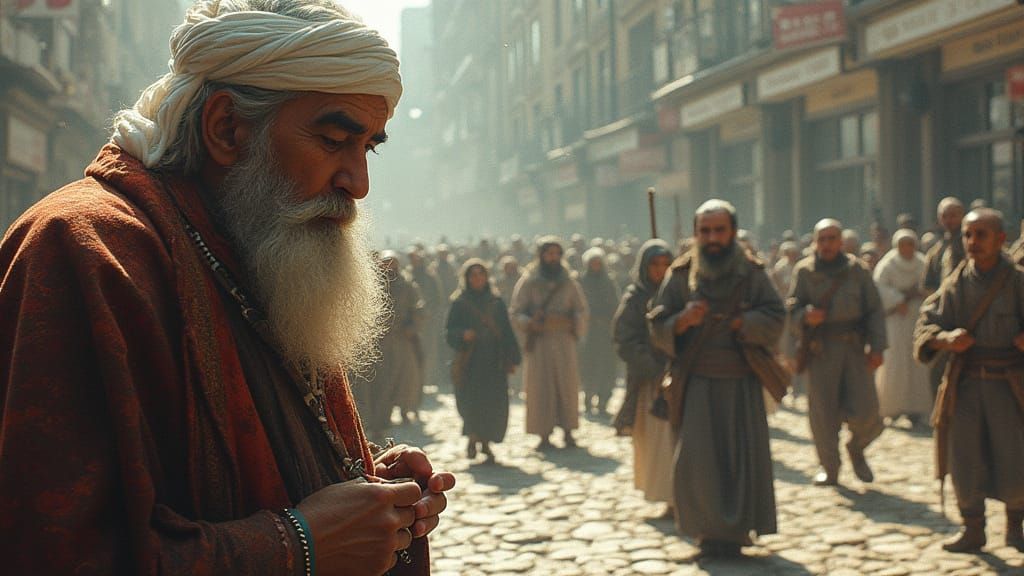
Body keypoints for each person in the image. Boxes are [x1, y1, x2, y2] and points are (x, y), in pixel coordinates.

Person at [0, 2, 455, 574]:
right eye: (335, 139)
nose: (357, 183)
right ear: (226, 128)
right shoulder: (88, 249)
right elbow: (49, 553)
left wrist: (368, 501)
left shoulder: (265, 245)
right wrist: (299, 544)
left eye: (367, 148)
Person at [650, 200, 783, 557]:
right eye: (705, 231)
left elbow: (775, 316)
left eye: (719, 230)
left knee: (740, 457)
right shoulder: (679, 276)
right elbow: (657, 323)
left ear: (732, 231)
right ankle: (707, 533)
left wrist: (745, 323)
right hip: (696, 382)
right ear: (695, 233)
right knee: (698, 460)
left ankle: (737, 531)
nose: (712, 238)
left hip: (740, 382)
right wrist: (682, 321)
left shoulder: (753, 274)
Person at [914, 208, 1024, 553]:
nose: (973, 242)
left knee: (1014, 455)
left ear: (1001, 239)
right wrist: (946, 339)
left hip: (1011, 385)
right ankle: (973, 528)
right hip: (966, 385)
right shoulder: (956, 283)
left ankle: (1015, 528)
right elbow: (927, 321)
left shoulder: (1018, 281)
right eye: (968, 235)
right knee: (965, 456)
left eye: (981, 234)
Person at [788, 219, 886, 487]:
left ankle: (857, 448)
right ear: (815, 242)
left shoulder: (857, 271)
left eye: (832, 238)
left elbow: (874, 310)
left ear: (841, 242)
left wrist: (877, 347)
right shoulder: (805, 272)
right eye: (822, 239)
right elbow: (791, 309)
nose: (827, 244)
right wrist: (805, 316)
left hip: (854, 348)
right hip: (821, 350)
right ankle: (829, 466)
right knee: (823, 414)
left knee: (867, 412)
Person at [612, 239, 675, 515]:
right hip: (650, 382)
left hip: (678, 377)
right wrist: (651, 364)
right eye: (655, 265)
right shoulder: (636, 298)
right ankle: (666, 495)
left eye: (666, 265)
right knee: (657, 441)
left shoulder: (678, 294)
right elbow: (625, 339)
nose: (661, 270)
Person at [510, 237, 589, 450]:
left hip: (564, 341)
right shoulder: (529, 281)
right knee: (541, 387)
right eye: (549, 253)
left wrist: (573, 321)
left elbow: (581, 309)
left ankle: (568, 430)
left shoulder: (569, 282)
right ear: (541, 255)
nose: (552, 257)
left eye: (556, 253)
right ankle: (543, 433)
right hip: (541, 343)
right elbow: (516, 311)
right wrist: (530, 322)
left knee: (567, 386)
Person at [444, 260, 522, 463]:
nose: (477, 278)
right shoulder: (460, 303)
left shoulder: (496, 302)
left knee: (492, 403)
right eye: (473, 275)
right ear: (467, 278)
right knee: (471, 402)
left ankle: (486, 441)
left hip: (493, 362)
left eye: (481, 274)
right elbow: (449, 331)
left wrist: (513, 356)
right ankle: (472, 437)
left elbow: (506, 331)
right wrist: (462, 334)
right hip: (470, 362)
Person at [873, 230, 931, 425]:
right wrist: (897, 300)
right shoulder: (888, 265)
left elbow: (930, 287)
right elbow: (879, 288)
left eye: (910, 244)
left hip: (916, 318)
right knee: (895, 362)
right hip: (896, 321)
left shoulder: (923, 263)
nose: (906, 248)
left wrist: (919, 297)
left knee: (917, 364)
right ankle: (892, 406)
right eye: (903, 244)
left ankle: (916, 408)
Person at [922, 197, 967, 399]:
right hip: (944, 322)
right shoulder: (936, 251)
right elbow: (929, 288)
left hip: (973, 318)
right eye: (945, 216)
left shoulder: (973, 244)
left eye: (954, 215)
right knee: (939, 378)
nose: (950, 220)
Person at [578, 247, 621, 416]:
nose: (596, 266)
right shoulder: (581, 282)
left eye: (598, 263)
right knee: (588, 366)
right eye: (592, 263)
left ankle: (603, 400)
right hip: (587, 333)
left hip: (606, 332)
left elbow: (615, 305)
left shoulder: (609, 282)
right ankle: (588, 397)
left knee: (607, 367)